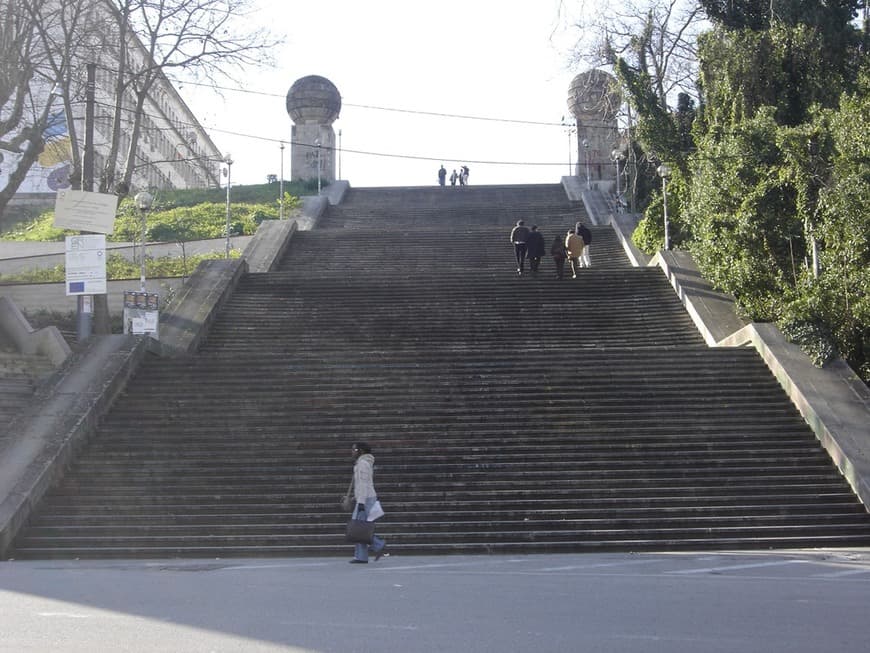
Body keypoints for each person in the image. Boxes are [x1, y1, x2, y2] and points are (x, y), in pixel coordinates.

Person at [348, 441, 387, 563]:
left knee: (359, 528)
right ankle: (361, 556)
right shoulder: (362, 463)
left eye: (354, 450)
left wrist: (360, 502)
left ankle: (378, 545)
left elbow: (364, 484)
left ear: (361, 451)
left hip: (366, 500)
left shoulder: (363, 463)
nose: (352, 452)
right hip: (365, 498)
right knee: (360, 527)